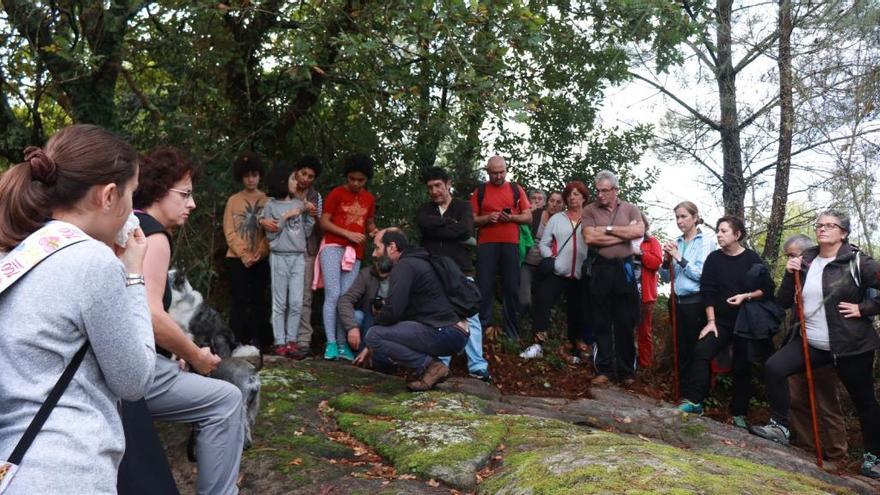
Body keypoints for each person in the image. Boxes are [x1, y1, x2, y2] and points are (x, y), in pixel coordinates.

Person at [0, 125, 155, 494]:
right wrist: (133, 275)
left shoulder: (19, 255)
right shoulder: (92, 261)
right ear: (108, 196)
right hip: (69, 469)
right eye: (131, 195)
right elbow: (134, 381)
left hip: (15, 467)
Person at [129, 147, 244, 495]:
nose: (191, 204)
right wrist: (196, 356)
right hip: (134, 371)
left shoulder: (125, 224)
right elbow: (149, 314)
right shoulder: (153, 236)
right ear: (158, 190)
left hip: (120, 361)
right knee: (226, 400)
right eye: (184, 194)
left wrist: (171, 350)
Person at [750, 211, 880, 479]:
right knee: (775, 367)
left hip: (851, 346)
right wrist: (789, 274)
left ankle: (873, 458)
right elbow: (784, 302)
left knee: (864, 401)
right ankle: (780, 426)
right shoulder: (806, 260)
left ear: (843, 232)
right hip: (813, 343)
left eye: (830, 226)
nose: (822, 229)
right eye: (819, 225)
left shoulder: (858, 262)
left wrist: (865, 308)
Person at [678, 216, 775, 430]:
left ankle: (739, 413)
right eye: (718, 231)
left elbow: (767, 289)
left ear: (737, 235)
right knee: (702, 351)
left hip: (745, 322)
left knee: (742, 365)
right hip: (719, 321)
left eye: (724, 231)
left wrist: (746, 296)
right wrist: (710, 322)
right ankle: (695, 402)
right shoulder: (714, 258)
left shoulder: (751, 259)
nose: (719, 235)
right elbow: (707, 290)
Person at [355, 229, 468, 391]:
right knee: (379, 334)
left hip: (445, 330)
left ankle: (432, 367)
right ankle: (428, 369)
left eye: (377, 248)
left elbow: (394, 311)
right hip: (456, 331)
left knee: (374, 335)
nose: (374, 254)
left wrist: (374, 328)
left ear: (392, 247)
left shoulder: (404, 265)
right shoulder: (420, 260)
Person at [417, 167, 491, 381]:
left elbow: (466, 230)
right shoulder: (425, 209)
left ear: (448, 184)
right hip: (433, 270)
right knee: (438, 317)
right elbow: (424, 225)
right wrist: (450, 225)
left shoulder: (463, 206)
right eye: (430, 187)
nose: (435, 191)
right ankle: (441, 364)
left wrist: (441, 228)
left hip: (461, 269)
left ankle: (477, 366)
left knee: (471, 316)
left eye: (438, 185)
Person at [779, 234, 848, 461]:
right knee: (796, 397)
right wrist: (790, 275)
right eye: (787, 256)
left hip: (829, 348)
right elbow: (782, 301)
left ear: (808, 253)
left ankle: (836, 455)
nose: (791, 259)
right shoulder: (796, 274)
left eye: (794, 255)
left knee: (826, 402)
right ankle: (804, 446)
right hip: (800, 343)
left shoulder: (831, 271)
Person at [582, 170, 644, 386]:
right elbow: (590, 237)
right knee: (601, 320)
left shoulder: (630, 208)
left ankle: (627, 371)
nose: (600, 195)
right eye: (597, 191)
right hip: (600, 269)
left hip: (624, 269)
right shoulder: (589, 210)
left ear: (616, 190)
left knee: (625, 321)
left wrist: (606, 230)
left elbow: (638, 232)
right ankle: (604, 369)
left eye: (605, 191)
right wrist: (621, 233)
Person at [520, 182, 591, 361]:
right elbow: (544, 243)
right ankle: (537, 345)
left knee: (578, 312)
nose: (572, 197)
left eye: (576, 194)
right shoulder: (557, 218)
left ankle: (574, 350)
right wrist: (551, 259)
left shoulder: (591, 219)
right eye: (570, 194)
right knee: (542, 301)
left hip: (579, 275)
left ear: (584, 197)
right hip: (557, 271)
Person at [317, 154, 378, 361]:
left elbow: (368, 223)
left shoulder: (369, 199)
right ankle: (331, 343)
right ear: (347, 177)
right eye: (352, 179)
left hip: (355, 253)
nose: (355, 183)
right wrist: (347, 234)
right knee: (333, 294)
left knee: (346, 298)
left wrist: (375, 232)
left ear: (366, 179)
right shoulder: (336, 193)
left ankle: (343, 345)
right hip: (333, 247)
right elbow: (324, 222)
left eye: (360, 180)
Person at [470, 156, 532, 340]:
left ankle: (512, 332)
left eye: (501, 172)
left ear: (506, 170)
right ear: (488, 172)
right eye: (494, 173)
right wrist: (488, 218)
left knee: (512, 287)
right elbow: (471, 220)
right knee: (484, 286)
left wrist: (510, 217)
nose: (498, 176)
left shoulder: (515, 189)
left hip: (511, 243)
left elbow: (528, 217)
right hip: (487, 244)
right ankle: (482, 330)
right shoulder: (480, 191)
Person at [259, 163, 315, 357]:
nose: (296, 182)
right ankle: (279, 342)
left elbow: (306, 231)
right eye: (292, 179)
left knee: (297, 301)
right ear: (282, 182)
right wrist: (286, 217)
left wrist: (309, 215)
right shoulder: (270, 206)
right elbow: (272, 236)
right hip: (279, 257)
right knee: (280, 302)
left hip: (298, 257)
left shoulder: (299, 204)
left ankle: (292, 341)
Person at [660, 202, 716, 392]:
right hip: (676, 302)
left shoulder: (706, 241)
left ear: (695, 217)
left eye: (684, 216)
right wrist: (666, 260)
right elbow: (667, 278)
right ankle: (682, 391)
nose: (680, 221)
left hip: (696, 303)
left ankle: (696, 394)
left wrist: (678, 257)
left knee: (696, 350)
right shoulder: (677, 241)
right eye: (677, 217)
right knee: (680, 348)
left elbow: (702, 275)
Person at [223, 151, 270, 348]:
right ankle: (236, 340)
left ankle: (261, 341)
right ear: (241, 177)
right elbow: (229, 230)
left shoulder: (268, 200)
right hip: (236, 258)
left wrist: (260, 252)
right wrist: (243, 254)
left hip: (260, 258)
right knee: (239, 300)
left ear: (260, 176)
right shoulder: (233, 200)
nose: (251, 179)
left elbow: (272, 231)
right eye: (246, 175)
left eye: (254, 175)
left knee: (260, 300)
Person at [337, 256, 395, 373]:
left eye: (386, 277)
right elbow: (345, 300)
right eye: (380, 276)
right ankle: (358, 351)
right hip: (368, 316)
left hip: (390, 319)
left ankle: (373, 356)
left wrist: (386, 306)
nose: (383, 278)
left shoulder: (399, 277)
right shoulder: (366, 274)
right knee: (358, 316)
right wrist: (352, 327)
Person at [291, 156, 323, 359]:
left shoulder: (316, 197)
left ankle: (303, 340)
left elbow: (319, 227)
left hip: (307, 249)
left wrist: (313, 214)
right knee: (284, 296)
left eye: (311, 176)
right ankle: (285, 339)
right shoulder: (283, 190)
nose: (306, 179)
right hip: (284, 250)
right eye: (304, 173)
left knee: (304, 297)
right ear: (296, 172)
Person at [520, 191, 564, 313]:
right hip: (527, 263)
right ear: (547, 202)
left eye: (558, 202)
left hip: (546, 268)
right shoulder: (536, 215)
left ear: (562, 205)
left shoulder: (562, 223)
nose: (554, 204)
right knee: (524, 301)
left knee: (542, 303)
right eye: (552, 201)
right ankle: (518, 326)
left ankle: (534, 329)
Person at [635, 214, 663, 369]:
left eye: (640, 224)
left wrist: (641, 253)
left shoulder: (651, 242)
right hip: (625, 293)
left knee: (644, 331)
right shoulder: (623, 243)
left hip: (645, 294)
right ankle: (627, 362)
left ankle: (645, 365)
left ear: (645, 226)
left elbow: (656, 262)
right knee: (623, 329)